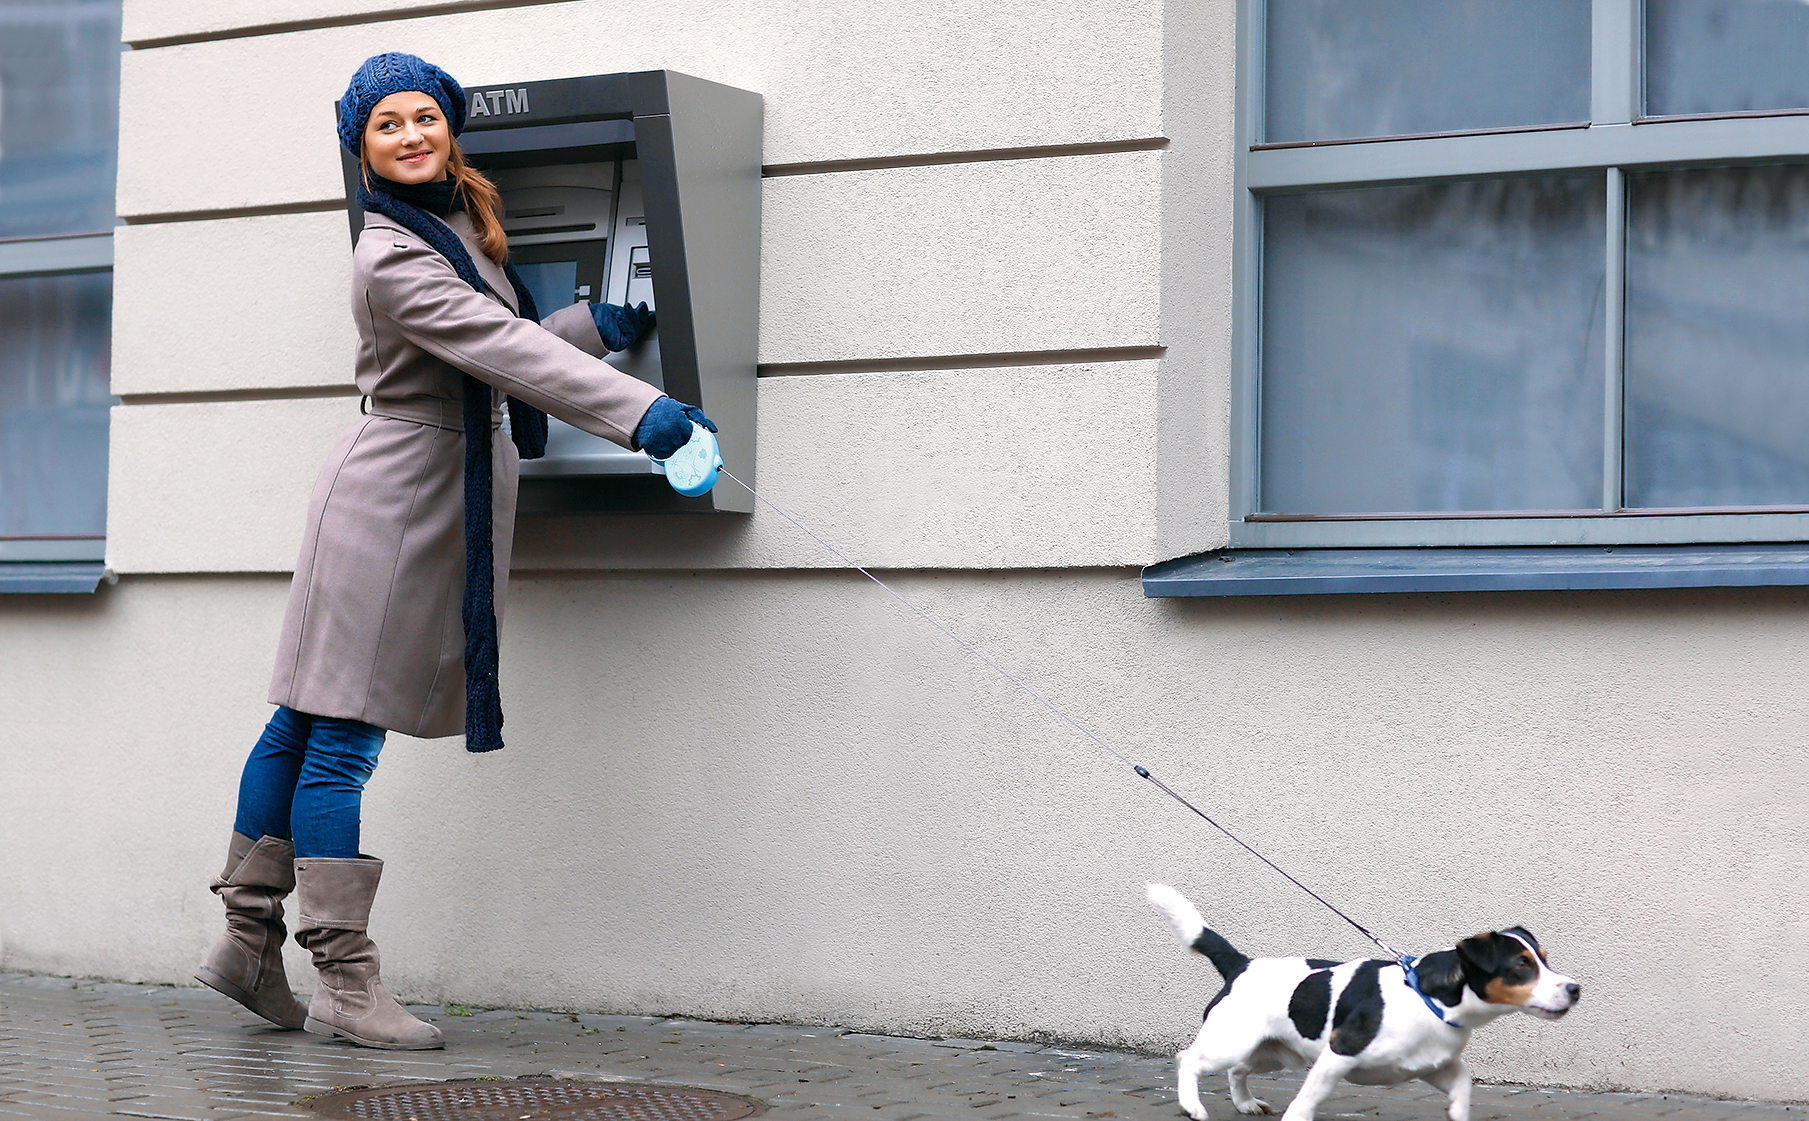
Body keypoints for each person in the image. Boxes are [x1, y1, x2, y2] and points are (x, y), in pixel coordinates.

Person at [192, 53, 716, 1051]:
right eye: (385, 123)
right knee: (339, 734)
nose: (410, 134)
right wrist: (644, 412)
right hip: (394, 508)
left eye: (423, 115)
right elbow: (496, 350)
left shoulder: (448, 225)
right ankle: (345, 981)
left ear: (449, 126)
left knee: (301, 723)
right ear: (363, 147)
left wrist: (588, 326)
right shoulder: (390, 252)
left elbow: (492, 340)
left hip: (396, 492)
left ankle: (246, 945)